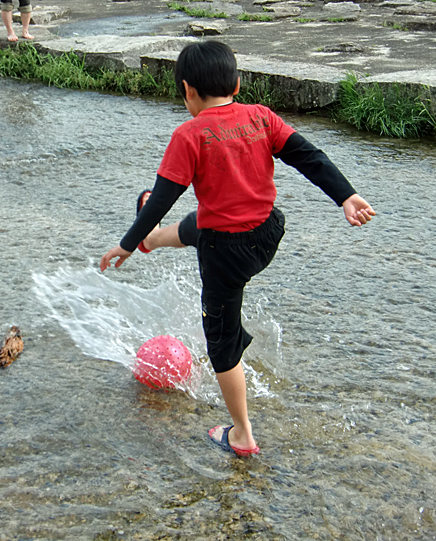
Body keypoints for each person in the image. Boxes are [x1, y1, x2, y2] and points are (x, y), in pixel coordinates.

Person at [99, 41, 375, 457]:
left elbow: (161, 197)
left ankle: (242, 434)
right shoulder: (261, 117)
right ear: (238, 84)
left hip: (225, 253)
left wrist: (124, 243)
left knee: (221, 342)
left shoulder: (189, 133)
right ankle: (154, 239)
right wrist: (347, 197)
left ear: (187, 90)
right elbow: (309, 157)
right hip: (267, 234)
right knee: (202, 221)